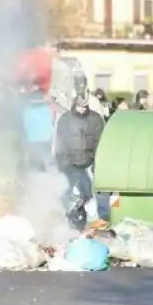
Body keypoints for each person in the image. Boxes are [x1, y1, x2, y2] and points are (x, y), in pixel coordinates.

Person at [55, 93, 105, 226]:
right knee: (67, 194)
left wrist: (96, 161)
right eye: (79, 107)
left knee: (89, 195)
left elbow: (99, 142)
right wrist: (62, 162)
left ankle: (90, 221)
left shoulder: (95, 119)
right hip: (69, 164)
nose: (82, 110)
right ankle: (65, 220)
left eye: (84, 107)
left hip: (88, 163)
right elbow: (60, 141)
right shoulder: (65, 120)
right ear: (74, 105)